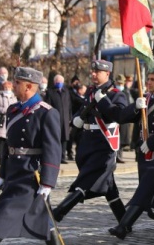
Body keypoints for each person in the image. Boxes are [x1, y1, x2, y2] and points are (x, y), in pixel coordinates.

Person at [0, 67, 69, 245]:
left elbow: (52, 149)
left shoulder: (47, 112)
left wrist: (48, 183)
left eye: (17, 83)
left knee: (5, 214)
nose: (13, 85)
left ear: (28, 86)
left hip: (32, 174)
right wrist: (2, 174)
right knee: (42, 216)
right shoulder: (14, 110)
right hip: (14, 171)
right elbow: (10, 147)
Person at [109, 65, 154, 240]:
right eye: (148, 79)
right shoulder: (145, 99)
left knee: (146, 188)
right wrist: (135, 106)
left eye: (153, 80)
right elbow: (121, 118)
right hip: (145, 154)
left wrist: (153, 142)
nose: (148, 82)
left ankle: (124, 226)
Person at [51, 60, 128, 224]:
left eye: (97, 71)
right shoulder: (91, 91)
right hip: (88, 143)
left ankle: (60, 211)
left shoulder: (115, 93)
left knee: (87, 180)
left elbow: (120, 115)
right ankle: (125, 222)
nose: (93, 74)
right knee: (109, 189)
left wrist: (104, 101)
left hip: (105, 145)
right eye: (93, 71)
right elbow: (84, 109)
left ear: (107, 74)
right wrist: (77, 118)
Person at [45, 75, 72, 164]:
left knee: (64, 138)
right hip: (55, 119)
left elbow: (69, 105)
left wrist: (70, 117)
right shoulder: (50, 92)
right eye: (57, 81)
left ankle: (62, 157)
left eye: (61, 81)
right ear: (54, 82)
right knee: (56, 138)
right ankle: (55, 157)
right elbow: (47, 105)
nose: (59, 83)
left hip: (65, 118)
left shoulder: (66, 91)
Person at [0, 81, 17, 165]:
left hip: (11, 121)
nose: (7, 89)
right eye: (5, 88)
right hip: (1, 122)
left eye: (9, 88)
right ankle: (0, 159)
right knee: (1, 142)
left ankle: (7, 158)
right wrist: (4, 110)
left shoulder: (13, 97)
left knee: (8, 142)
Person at [115, 74, 132, 163]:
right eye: (118, 83)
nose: (120, 85)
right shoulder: (113, 91)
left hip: (124, 118)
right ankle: (116, 156)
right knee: (115, 138)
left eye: (121, 83)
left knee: (121, 139)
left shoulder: (126, 91)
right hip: (116, 118)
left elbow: (129, 103)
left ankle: (119, 155)